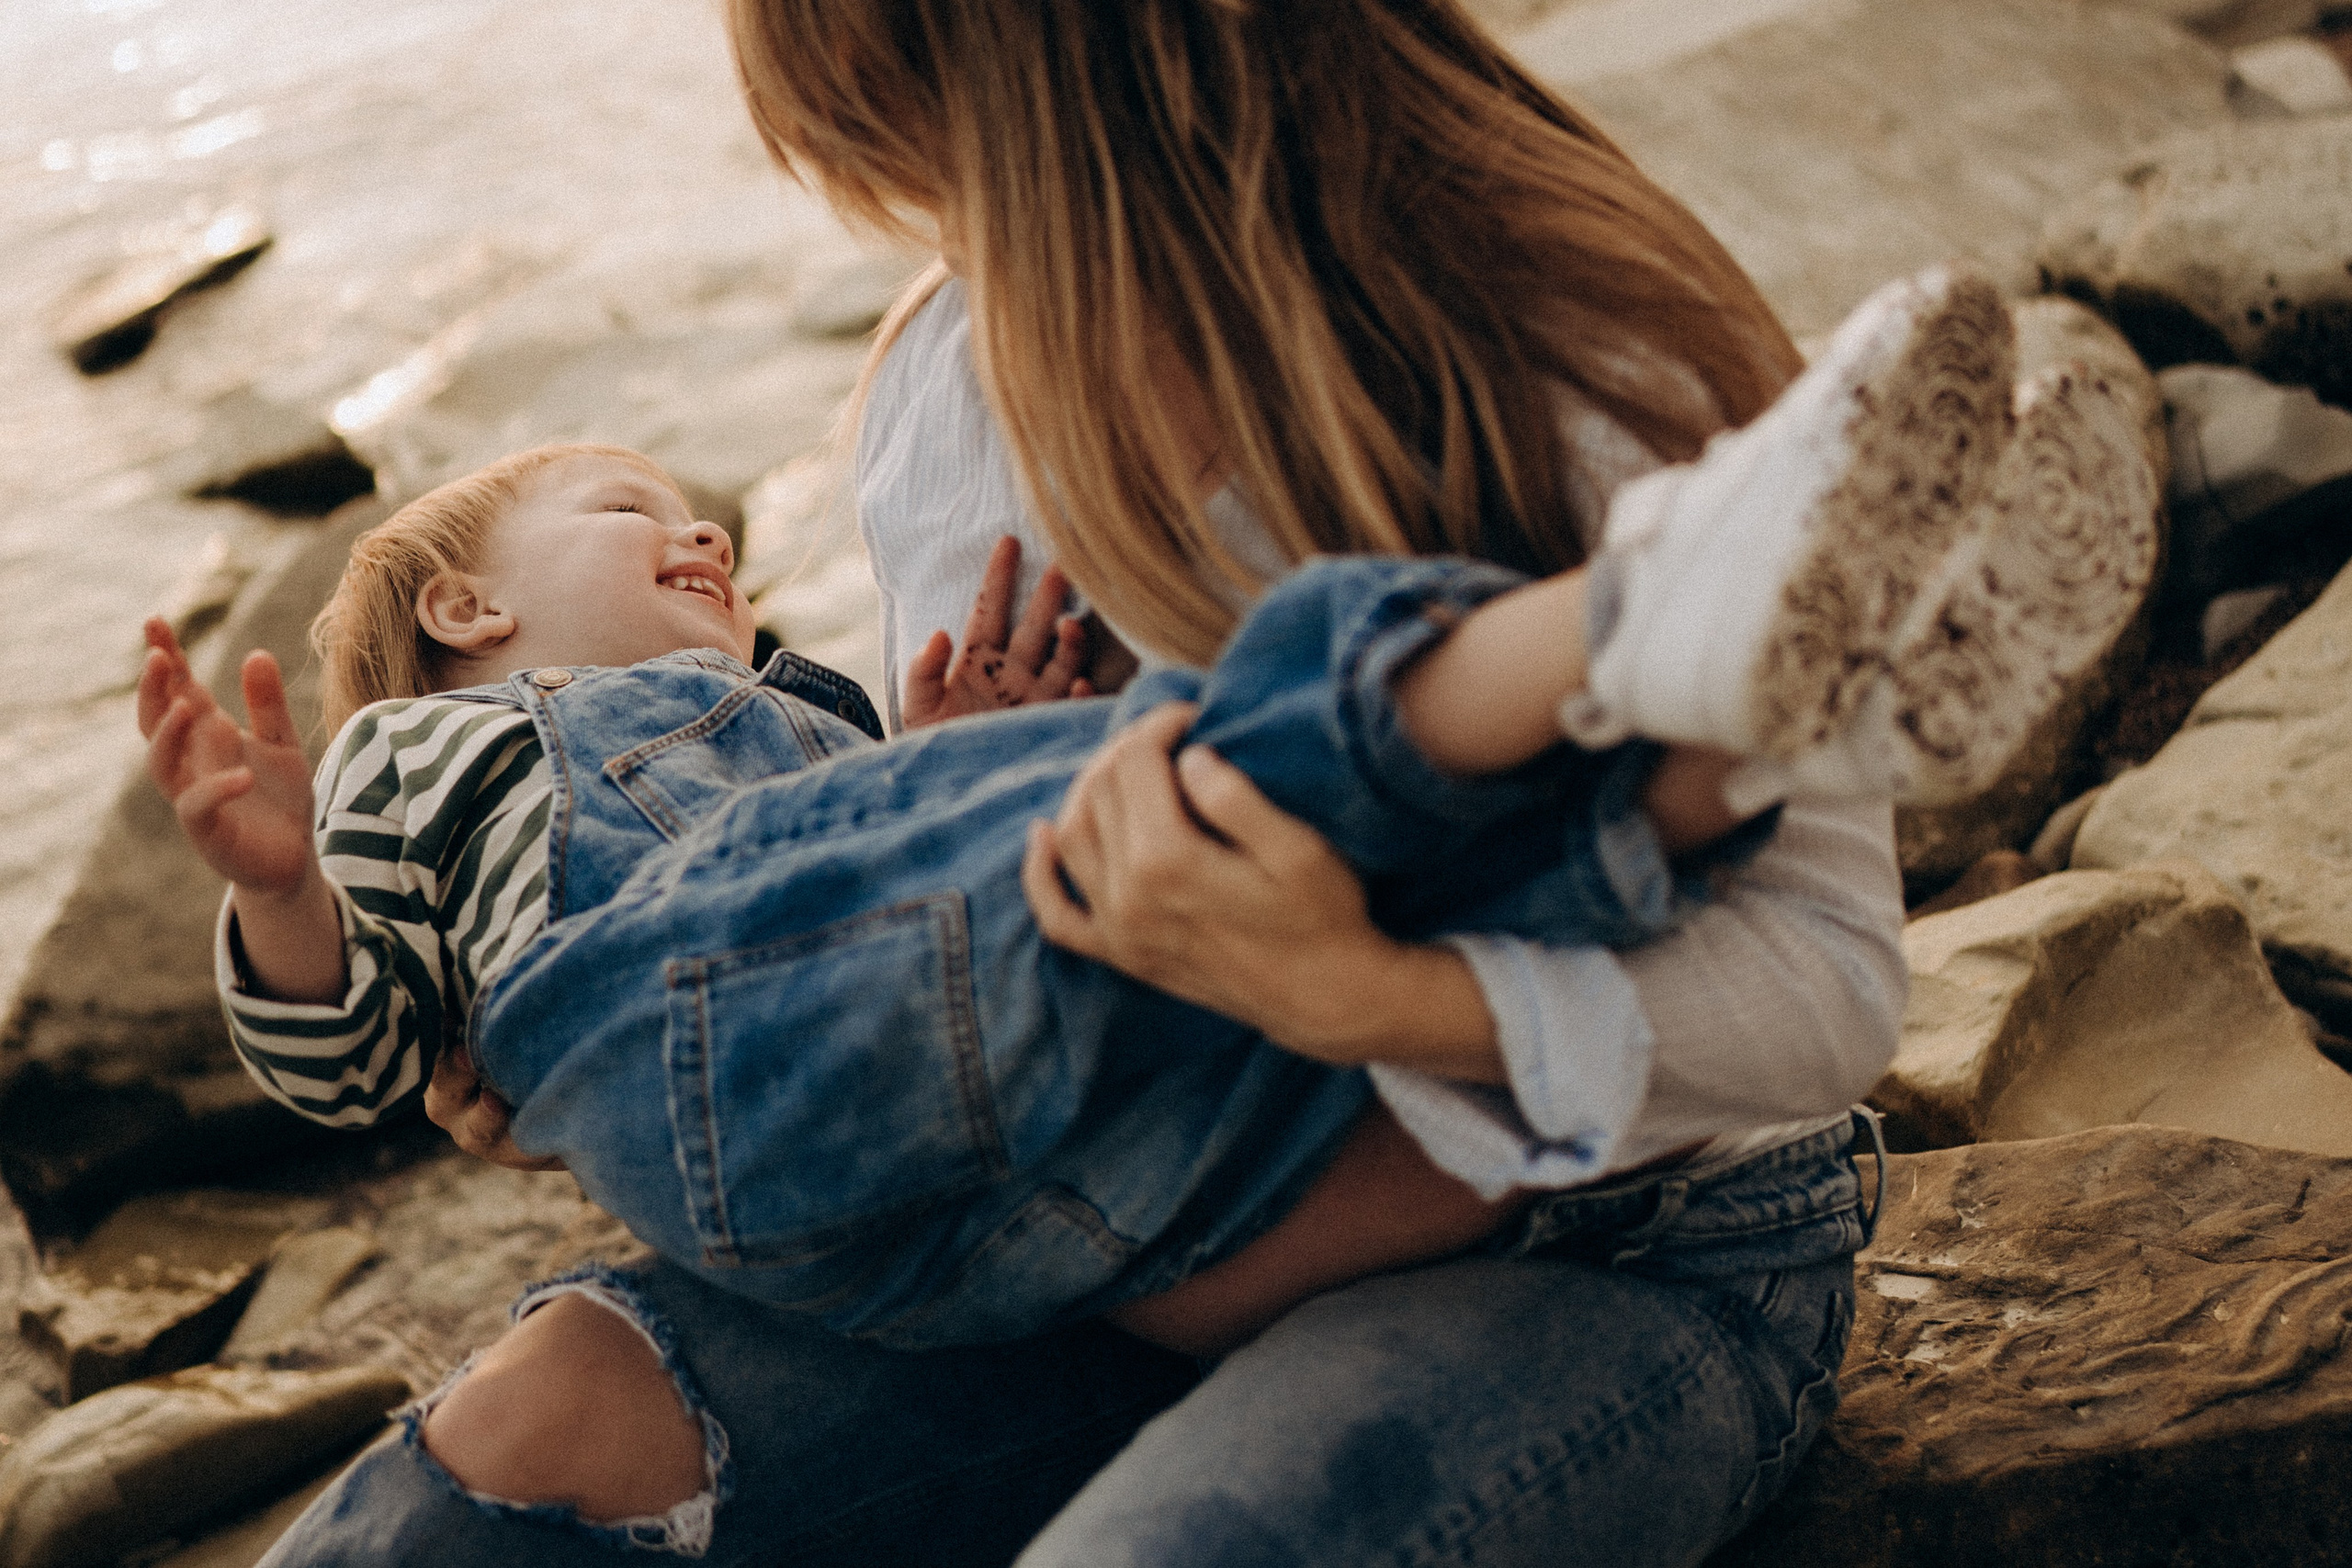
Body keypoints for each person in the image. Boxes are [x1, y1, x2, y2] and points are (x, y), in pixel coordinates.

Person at [251, 1, 2156, 1562]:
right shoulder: (940, 389)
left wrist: (1376, 996)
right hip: (1092, 1234)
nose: (918, 219)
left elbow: (1829, 987)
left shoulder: (1548, 330)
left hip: (1601, 1240)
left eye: (918, 132)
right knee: (487, 1463)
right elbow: (999, 932)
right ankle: (1669, 692)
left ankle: (1692, 672)